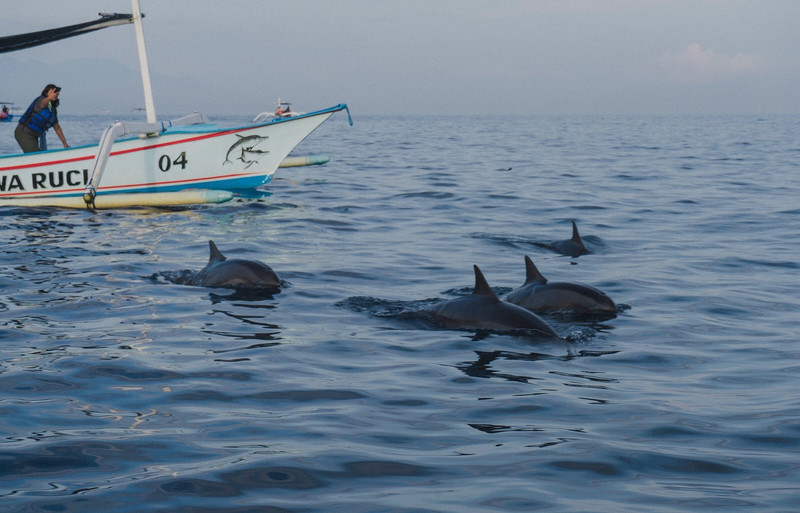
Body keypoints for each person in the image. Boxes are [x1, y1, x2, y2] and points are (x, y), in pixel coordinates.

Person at [15, 84, 69, 153]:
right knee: (34, 155)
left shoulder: (52, 110)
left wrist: (64, 143)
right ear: (46, 93)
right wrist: (49, 98)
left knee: (37, 153)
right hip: (23, 133)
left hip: (34, 136)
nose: (54, 94)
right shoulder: (41, 100)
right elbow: (44, 103)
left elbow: (57, 127)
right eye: (51, 92)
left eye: (55, 93)